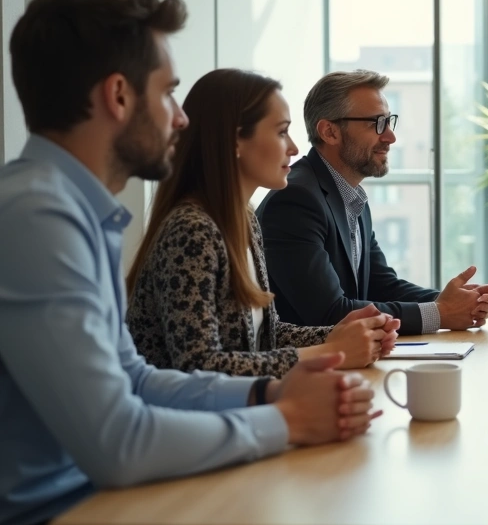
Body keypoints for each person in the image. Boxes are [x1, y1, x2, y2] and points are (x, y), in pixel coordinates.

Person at [0, 0, 379, 525]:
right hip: (58, 516)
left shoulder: (78, 210)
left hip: (95, 500)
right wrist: (288, 418)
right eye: (168, 93)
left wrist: (270, 392)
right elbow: (118, 441)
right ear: (119, 96)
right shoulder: (37, 218)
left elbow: (137, 377)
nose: (180, 119)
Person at [125, 69, 401, 378]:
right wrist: (330, 350)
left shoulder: (244, 221)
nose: (294, 148)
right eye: (282, 132)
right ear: (235, 141)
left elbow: (262, 336)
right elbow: (198, 367)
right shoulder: (191, 230)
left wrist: (340, 335)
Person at [256, 70, 488, 335]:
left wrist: (454, 300)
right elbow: (328, 313)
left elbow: (381, 285)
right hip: (306, 369)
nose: (390, 137)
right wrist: (440, 314)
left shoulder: (351, 195)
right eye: (376, 123)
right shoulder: (295, 200)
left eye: (389, 121)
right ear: (329, 131)